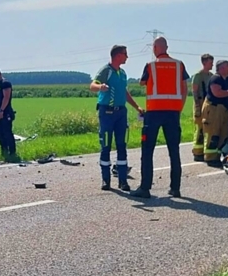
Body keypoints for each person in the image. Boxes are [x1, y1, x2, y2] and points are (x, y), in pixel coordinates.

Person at [130, 37, 189, 199]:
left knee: (147, 151)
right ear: (167, 47)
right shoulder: (179, 65)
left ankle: (145, 188)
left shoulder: (150, 66)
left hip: (154, 112)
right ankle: (175, 188)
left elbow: (142, 83)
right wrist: (179, 108)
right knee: (174, 151)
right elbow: (185, 88)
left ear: (155, 48)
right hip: (173, 113)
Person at [90, 45, 145, 191]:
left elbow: (124, 92)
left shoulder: (123, 73)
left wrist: (137, 107)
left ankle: (123, 181)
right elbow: (92, 85)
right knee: (106, 145)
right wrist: (100, 87)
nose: (127, 57)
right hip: (107, 113)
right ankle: (106, 180)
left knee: (122, 145)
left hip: (121, 113)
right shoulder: (106, 70)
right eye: (125, 54)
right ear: (117, 55)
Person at [0, 68, 18, 159]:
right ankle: (4, 151)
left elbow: (6, 97)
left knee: (7, 132)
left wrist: (1, 110)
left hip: (5, 112)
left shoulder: (5, 83)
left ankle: (12, 152)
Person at [190, 54, 215, 162]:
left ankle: (205, 150)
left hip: (208, 104)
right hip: (200, 103)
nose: (212, 64)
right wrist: (197, 107)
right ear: (204, 63)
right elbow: (195, 91)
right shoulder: (198, 76)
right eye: (210, 62)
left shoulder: (212, 76)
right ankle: (197, 152)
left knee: (208, 128)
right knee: (199, 128)